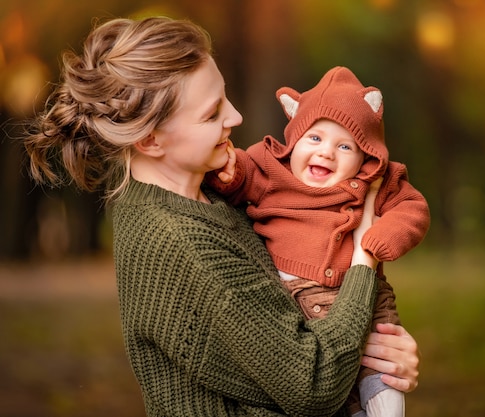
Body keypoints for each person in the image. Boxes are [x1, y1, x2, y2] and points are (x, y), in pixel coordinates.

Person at [23, 16, 419, 416]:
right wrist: (363, 261)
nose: (235, 117)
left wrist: (380, 354)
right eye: (212, 114)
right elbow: (314, 383)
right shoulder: (181, 244)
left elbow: (294, 329)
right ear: (150, 139)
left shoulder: (208, 192)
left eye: (224, 98)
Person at [205, 66, 430, 416]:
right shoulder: (272, 169)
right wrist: (232, 176)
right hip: (290, 294)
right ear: (293, 142)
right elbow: (243, 174)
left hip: (360, 292)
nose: (326, 152)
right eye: (314, 138)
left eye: (345, 145)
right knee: (328, 377)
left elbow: (412, 208)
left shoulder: (376, 180)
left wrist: (381, 236)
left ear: (364, 157)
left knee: (379, 359)